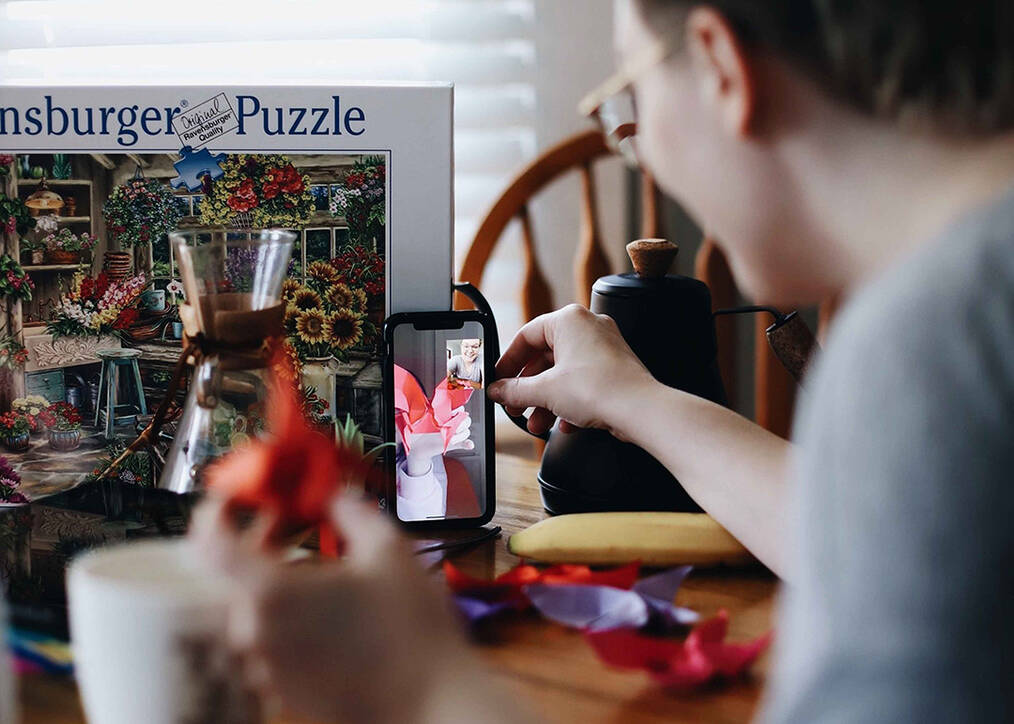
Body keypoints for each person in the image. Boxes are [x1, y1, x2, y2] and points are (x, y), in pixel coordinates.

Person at [195, 1, 1014, 721]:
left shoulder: (931, 352)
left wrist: (419, 689)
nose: (637, 141)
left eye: (632, 94)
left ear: (722, 66)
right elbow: (880, 537)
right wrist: (636, 400)